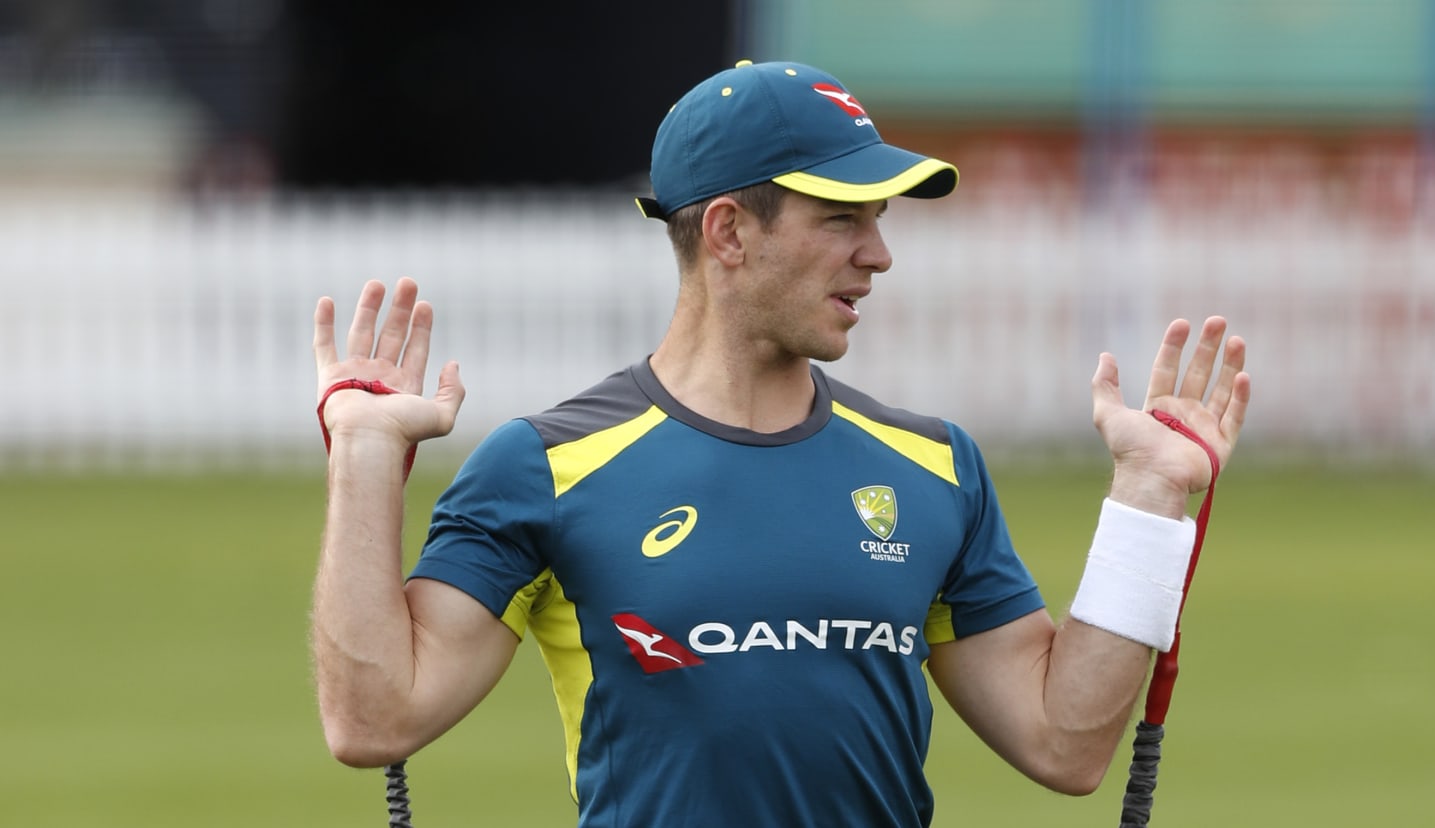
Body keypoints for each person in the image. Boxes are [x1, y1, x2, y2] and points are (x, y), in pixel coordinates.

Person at [309, 60, 1250, 827]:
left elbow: (1065, 742)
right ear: (727, 232)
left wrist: (1150, 498)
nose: (879, 252)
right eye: (842, 216)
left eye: (880, 219)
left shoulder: (933, 467)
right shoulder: (543, 467)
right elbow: (372, 719)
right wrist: (359, 453)